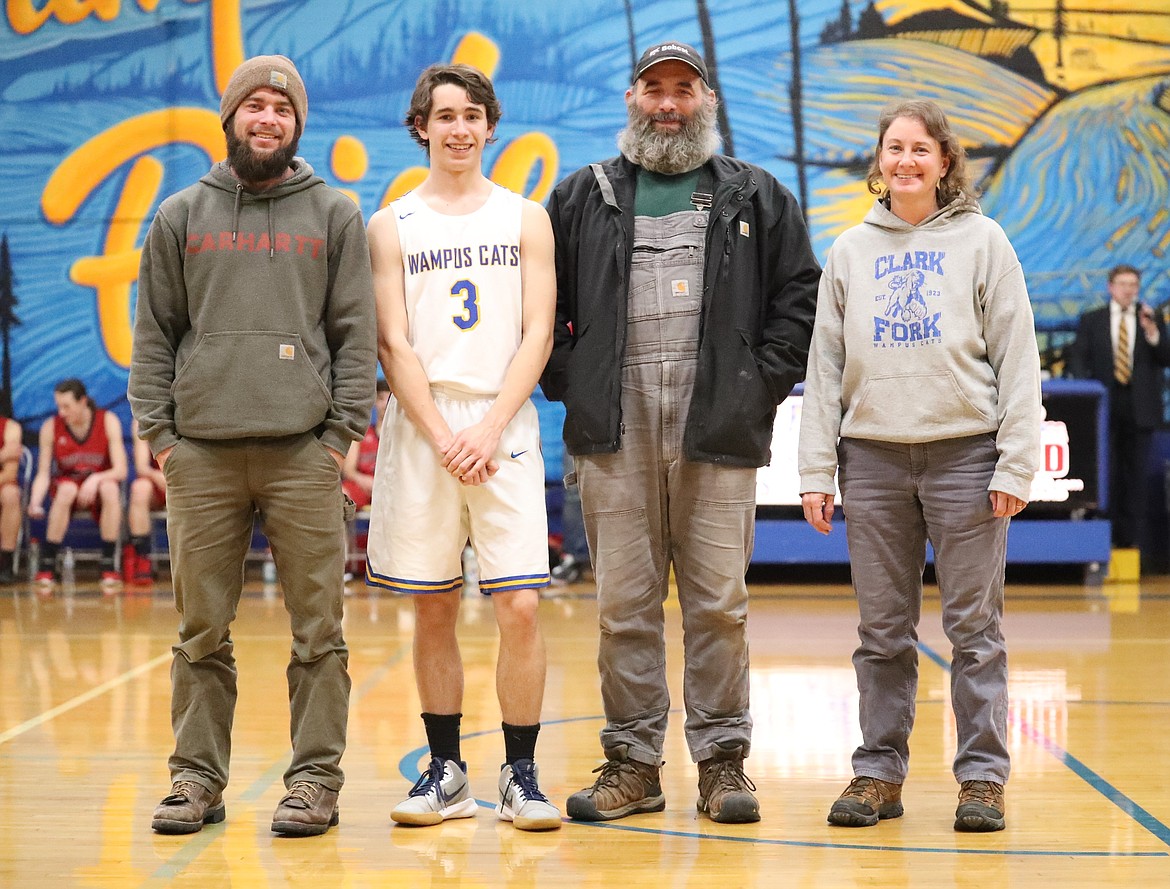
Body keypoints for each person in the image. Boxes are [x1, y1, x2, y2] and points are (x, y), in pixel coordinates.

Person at [541, 40, 820, 824]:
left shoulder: (756, 196)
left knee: (719, 606)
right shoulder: (581, 195)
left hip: (717, 430)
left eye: (683, 91)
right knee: (624, 607)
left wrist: (755, 383)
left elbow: (799, 298)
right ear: (632, 98)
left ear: (707, 101)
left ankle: (723, 763)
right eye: (654, 89)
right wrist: (573, 380)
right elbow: (540, 307)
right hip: (615, 430)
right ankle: (633, 763)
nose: (668, 104)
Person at [129, 55, 376, 837]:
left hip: (304, 451)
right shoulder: (180, 215)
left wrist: (337, 440)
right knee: (200, 630)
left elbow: (354, 338)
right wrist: (163, 440)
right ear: (230, 117)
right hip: (200, 454)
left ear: (298, 124)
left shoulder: (334, 213)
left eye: (282, 109)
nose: (267, 119)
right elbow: (154, 339)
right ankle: (195, 779)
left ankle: (313, 782)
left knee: (319, 631)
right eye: (254, 106)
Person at [797, 99, 1042, 833]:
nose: (905, 161)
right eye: (893, 148)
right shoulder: (848, 251)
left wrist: (1014, 463)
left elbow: (1018, 358)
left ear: (943, 162)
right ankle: (878, 771)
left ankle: (982, 778)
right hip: (871, 460)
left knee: (975, 628)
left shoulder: (984, 241)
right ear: (879, 162)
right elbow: (825, 365)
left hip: (966, 456)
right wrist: (817, 469)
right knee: (882, 631)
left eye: (919, 149)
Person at [364, 63, 561, 832]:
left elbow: (539, 331)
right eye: (444, 115)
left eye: (472, 115)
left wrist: (485, 428)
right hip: (424, 427)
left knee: (518, 605)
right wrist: (446, 435)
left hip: (500, 420)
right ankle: (445, 770)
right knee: (434, 606)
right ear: (422, 126)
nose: (458, 128)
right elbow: (392, 341)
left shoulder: (525, 218)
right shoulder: (391, 224)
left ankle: (520, 771)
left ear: (489, 126)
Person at [1068, 265, 1170, 549]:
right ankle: (1104, 541)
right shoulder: (1093, 320)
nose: (1129, 290)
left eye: (1134, 285)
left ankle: (1132, 545)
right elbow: (1078, 358)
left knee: (1136, 477)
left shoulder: (1150, 318)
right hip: (1103, 407)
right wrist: (1083, 390)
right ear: (1110, 287)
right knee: (1105, 471)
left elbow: (1165, 357)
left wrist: (1153, 333)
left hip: (1141, 408)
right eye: (1124, 284)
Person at [27, 379, 127, 591]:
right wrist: (35, 502)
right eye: (58, 406)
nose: (61, 412)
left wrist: (96, 478)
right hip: (68, 487)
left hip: (98, 486)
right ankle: (49, 562)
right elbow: (44, 473)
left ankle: (108, 562)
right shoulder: (50, 427)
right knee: (67, 489)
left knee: (110, 487)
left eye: (66, 406)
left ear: (82, 402)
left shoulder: (107, 420)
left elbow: (121, 470)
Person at [342, 378, 391, 512]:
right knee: (340, 495)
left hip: (392, 487)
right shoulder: (361, 434)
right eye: (381, 399)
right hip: (364, 485)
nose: (385, 404)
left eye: (389, 399)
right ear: (375, 402)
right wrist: (365, 481)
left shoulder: (403, 436)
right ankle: (343, 534)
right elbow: (348, 470)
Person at [125, 418, 164, 584]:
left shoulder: (189, 412)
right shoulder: (143, 420)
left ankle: (204, 559)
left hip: (187, 480)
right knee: (139, 489)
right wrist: (158, 476)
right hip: (158, 483)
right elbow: (142, 467)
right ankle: (142, 557)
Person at [0, 413, 23, 584]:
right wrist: (2, 455)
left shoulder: (10, 428)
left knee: (11, 495)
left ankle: (5, 562)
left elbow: (9, 473)